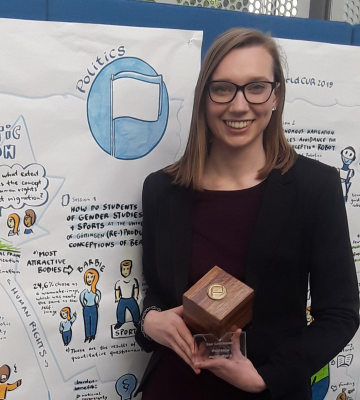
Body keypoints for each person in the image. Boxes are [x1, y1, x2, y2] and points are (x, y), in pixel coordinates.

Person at [134, 28, 359, 400]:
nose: (239, 106)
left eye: (256, 87)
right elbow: (156, 294)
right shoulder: (162, 190)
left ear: (276, 96)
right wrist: (148, 321)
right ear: (204, 98)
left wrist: (266, 378)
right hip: (175, 387)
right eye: (223, 88)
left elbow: (340, 315)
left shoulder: (314, 188)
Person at [114, 260, 140, 329]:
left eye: (127, 269)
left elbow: (136, 288)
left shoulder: (133, 280)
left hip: (131, 298)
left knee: (135, 310)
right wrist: (117, 297)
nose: (125, 271)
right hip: (122, 299)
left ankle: (136, 321)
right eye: (124, 269)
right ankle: (120, 322)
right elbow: (117, 290)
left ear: (130, 269)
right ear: (121, 269)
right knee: (120, 310)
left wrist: (135, 296)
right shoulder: (119, 282)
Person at [80, 268, 102, 342]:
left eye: (91, 277)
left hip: (93, 307)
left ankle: (92, 335)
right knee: (87, 322)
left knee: (93, 321)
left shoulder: (95, 290)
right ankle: (87, 336)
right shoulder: (85, 291)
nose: (89, 279)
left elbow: (99, 295)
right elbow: (81, 298)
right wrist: (83, 305)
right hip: (86, 308)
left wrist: (97, 302)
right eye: (88, 277)